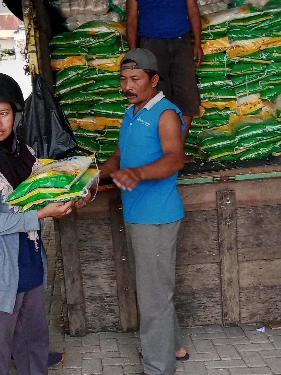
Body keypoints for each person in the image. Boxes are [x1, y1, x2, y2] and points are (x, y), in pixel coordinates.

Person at [0, 73, 88, 375]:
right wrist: (42, 214)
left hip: (27, 266)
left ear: (16, 115)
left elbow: (44, 187)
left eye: (4, 113)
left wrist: (76, 191)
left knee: (33, 344)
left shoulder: (22, 152)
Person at [98, 49, 188, 375]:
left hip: (158, 217)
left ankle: (157, 368)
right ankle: (174, 345)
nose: (128, 85)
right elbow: (118, 158)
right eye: (123, 79)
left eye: (135, 79)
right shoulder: (131, 113)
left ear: (153, 79)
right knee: (156, 290)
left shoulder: (165, 114)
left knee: (153, 299)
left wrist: (138, 173)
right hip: (138, 215)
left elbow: (175, 158)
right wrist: (91, 176)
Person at [126, 0, 203, 143]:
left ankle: (176, 151)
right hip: (151, 44)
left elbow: (192, 9)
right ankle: (160, 152)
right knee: (156, 100)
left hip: (182, 42)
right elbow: (131, 19)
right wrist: (133, 52)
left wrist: (197, 43)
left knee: (187, 97)